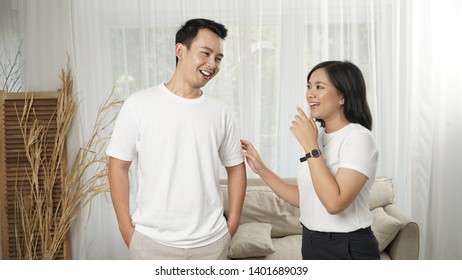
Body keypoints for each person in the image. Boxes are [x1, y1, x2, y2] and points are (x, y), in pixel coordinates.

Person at [107, 18, 246, 260]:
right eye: (206, 53)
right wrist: (127, 230)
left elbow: (236, 168)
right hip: (151, 243)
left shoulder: (220, 111)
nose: (212, 64)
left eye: (218, 58)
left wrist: (231, 224)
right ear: (180, 50)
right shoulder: (139, 104)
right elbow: (117, 166)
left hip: (211, 243)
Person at [241, 61, 380, 260]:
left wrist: (310, 146)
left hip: (348, 246)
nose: (310, 94)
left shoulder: (359, 138)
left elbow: (334, 203)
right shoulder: (319, 136)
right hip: (312, 241)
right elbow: (306, 198)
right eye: (309, 86)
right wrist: (261, 169)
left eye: (319, 87)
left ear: (342, 96)